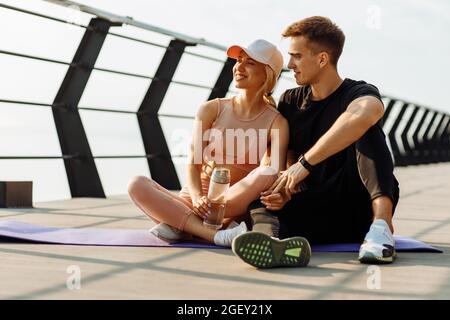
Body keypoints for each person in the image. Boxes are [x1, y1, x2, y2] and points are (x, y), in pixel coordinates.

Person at [232, 16, 400, 267]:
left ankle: (382, 227)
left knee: (366, 128)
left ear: (322, 59)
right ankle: (272, 246)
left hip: (360, 205)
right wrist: (283, 193)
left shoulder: (358, 92)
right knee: (261, 205)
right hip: (321, 210)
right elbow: (283, 159)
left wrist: (304, 164)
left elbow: (368, 111)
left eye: (296, 56)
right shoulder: (290, 100)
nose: (290, 64)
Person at [127, 39, 298, 248]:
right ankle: (214, 235)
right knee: (136, 184)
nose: (239, 67)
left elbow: (274, 176)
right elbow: (193, 163)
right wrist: (198, 197)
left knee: (269, 171)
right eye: (239, 60)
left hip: (232, 206)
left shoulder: (277, 122)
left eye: (250, 63)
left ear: (268, 73)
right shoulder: (210, 109)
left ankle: (181, 226)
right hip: (194, 201)